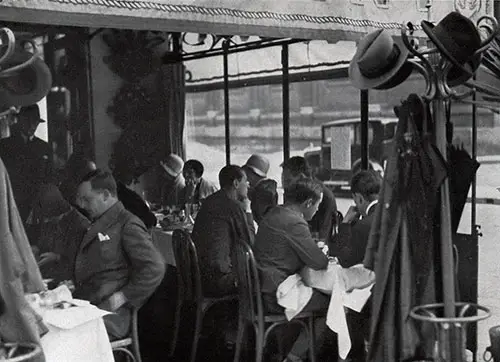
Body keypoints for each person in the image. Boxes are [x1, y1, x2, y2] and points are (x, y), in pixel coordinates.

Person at [73, 169, 165, 340]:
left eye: (87, 200)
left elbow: (155, 267)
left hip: (111, 315)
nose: (82, 206)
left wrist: (122, 297)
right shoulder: (100, 222)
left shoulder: (127, 224)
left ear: (106, 195)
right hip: (89, 307)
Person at [253, 176, 329, 362]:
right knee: (336, 302)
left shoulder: (273, 213)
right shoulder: (295, 222)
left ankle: (287, 350)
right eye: (317, 205)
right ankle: (294, 356)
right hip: (275, 295)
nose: (318, 209)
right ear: (308, 202)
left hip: (259, 290)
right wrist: (322, 251)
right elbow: (320, 263)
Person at [330, 170, 382, 362]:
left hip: (376, 297)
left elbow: (344, 259)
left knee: (348, 299)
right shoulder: (395, 215)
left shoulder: (363, 226)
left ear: (359, 199)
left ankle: (354, 355)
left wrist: (345, 224)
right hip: (401, 290)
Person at [191, 165, 255, 297]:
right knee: (257, 278)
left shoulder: (209, 201)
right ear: (236, 183)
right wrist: (248, 210)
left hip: (197, 275)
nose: (248, 185)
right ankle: (245, 317)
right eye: (245, 181)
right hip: (218, 281)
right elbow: (249, 242)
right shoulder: (233, 206)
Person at [0, 104, 52, 222]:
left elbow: (49, 178)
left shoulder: (44, 147)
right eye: (27, 121)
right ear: (19, 120)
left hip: (37, 210)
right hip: (11, 205)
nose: (32, 125)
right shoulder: (5, 146)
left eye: (35, 122)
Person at [29, 184, 90, 284]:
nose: (46, 221)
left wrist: (56, 257)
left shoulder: (81, 226)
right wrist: (36, 249)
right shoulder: (49, 219)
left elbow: (83, 263)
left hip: (69, 281)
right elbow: (43, 243)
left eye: (49, 218)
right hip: (47, 277)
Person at [281, 156, 338, 241]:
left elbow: (324, 236)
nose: (284, 186)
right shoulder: (291, 192)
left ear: (301, 177)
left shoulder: (326, 197)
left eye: (288, 181)